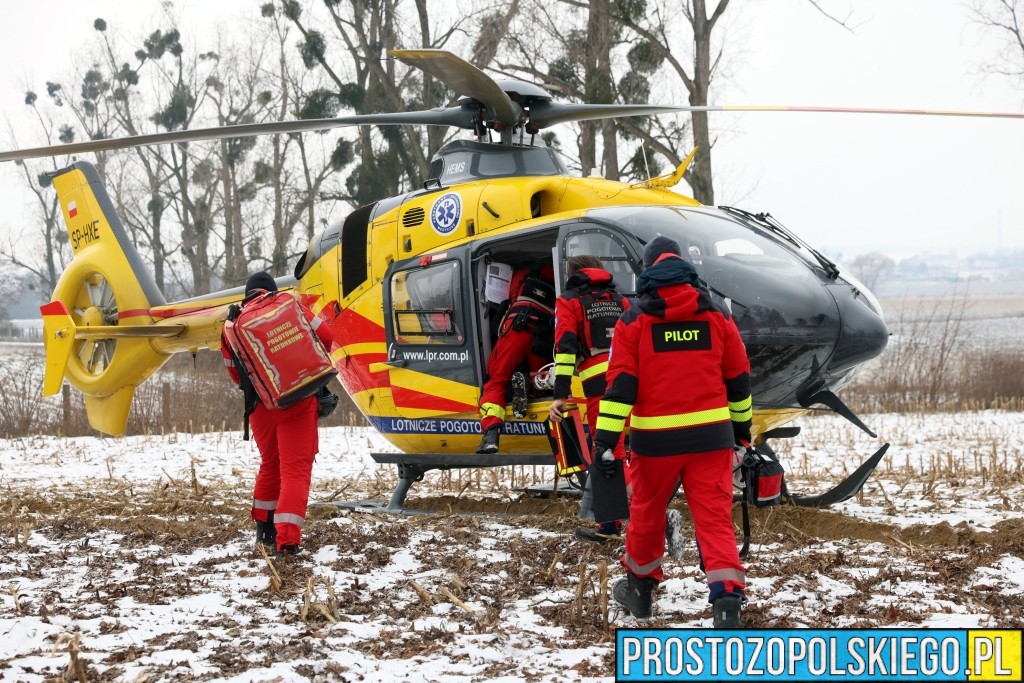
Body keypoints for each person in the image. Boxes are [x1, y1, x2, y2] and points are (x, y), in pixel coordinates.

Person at [592, 236, 752, 627]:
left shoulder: (634, 320)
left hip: (655, 445)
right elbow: (740, 381)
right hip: (711, 441)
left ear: (647, 270)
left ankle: (640, 592)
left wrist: (604, 443)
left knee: (646, 516)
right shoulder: (717, 315)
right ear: (684, 264)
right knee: (714, 520)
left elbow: (619, 389)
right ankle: (727, 602)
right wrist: (742, 434)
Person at [220, 271, 335, 555]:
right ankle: (287, 541)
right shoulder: (289, 305)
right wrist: (309, 370)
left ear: (248, 293)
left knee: (270, 465)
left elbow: (234, 372)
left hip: (259, 407)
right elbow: (327, 335)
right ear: (270, 291)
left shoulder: (232, 324)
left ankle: (264, 531)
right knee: (295, 470)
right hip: (297, 401)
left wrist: (261, 389)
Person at [547, 255, 631, 542]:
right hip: (633, 379)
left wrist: (560, 395)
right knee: (634, 448)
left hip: (600, 384)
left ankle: (613, 525)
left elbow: (566, 346)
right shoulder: (621, 300)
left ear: (571, 274)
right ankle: (630, 516)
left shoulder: (568, 301)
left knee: (607, 450)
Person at [476, 264, 556, 454]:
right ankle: (529, 385)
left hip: (519, 324)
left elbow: (498, 304)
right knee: (542, 381)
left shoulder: (518, 274)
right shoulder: (558, 273)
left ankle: (491, 434)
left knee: (496, 380)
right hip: (544, 332)